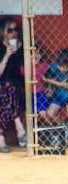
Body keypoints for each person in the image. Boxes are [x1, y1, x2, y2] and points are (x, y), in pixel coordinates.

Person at [43, 48, 68, 148]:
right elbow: (47, 78)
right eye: (62, 67)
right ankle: (64, 128)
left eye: (66, 67)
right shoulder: (53, 67)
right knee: (50, 113)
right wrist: (50, 88)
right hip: (60, 94)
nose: (64, 69)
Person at [0, 17, 26, 153]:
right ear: (3, 32)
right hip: (2, 84)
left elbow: (23, 71)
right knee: (6, 90)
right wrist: (7, 54)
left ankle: (1, 140)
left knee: (8, 91)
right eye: (10, 30)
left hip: (16, 86)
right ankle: (20, 128)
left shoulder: (21, 47)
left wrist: (22, 52)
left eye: (16, 29)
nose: (13, 33)